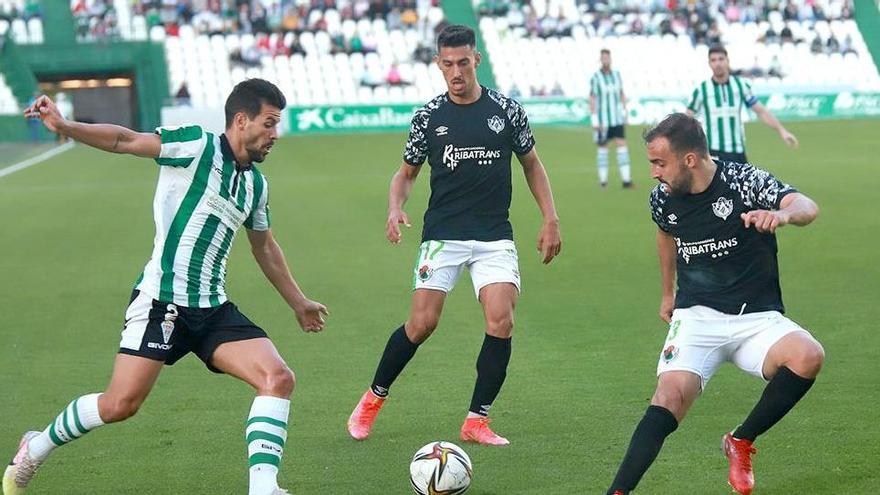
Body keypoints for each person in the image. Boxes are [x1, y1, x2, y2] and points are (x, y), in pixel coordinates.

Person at [3, 79, 328, 495]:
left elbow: (263, 246)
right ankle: (36, 445)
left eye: (277, 125)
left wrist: (298, 302)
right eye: (269, 124)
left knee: (278, 377)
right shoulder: (195, 145)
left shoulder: (256, 186)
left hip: (212, 308)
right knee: (120, 405)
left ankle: (263, 488)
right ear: (241, 120)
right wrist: (65, 125)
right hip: (161, 304)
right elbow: (124, 140)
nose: (275, 135)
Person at [346, 24, 562, 446]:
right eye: (448, 64)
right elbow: (405, 174)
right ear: (438, 64)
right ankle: (371, 399)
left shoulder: (507, 111)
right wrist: (395, 206)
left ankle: (476, 420)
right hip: (443, 233)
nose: (456, 71)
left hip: (493, 235)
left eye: (464, 62)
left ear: (476, 60)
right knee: (422, 323)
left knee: (501, 320)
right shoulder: (428, 117)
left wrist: (550, 217)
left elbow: (532, 164)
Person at [605, 113, 824, 495]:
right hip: (697, 317)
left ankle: (740, 440)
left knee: (808, 355)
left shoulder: (744, 181)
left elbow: (807, 205)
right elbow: (665, 234)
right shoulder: (662, 198)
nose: (654, 173)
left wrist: (782, 214)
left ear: (689, 159)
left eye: (660, 163)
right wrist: (667, 293)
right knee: (668, 397)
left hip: (756, 318)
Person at [687, 45, 798, 163]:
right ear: (709, 64)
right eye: (714, 60)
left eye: (721, 59)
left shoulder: (741, 85)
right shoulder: (702, 89)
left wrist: (782, 131)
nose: (718, 63)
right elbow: (687, 117)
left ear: (727, 61)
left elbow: (760, 111)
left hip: (738, 151)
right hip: (713, 153)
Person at [590, 48, 633, 189]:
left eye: (607, 58)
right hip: (603, 120)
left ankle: (626, 181)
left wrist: (625, 111)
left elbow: (621, 93)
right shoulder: (596, 77)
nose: (605, 60)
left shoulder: (617, 75)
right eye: (603, 58)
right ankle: (603, 182)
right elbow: (592, 97)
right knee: (603, 147)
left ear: (610, 59)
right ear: (600, 60)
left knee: (622, 146)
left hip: (617, 118)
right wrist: (595, 118)